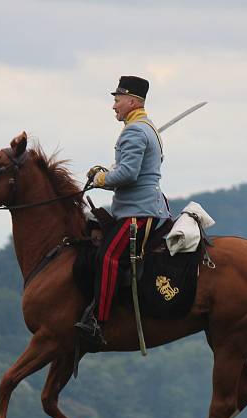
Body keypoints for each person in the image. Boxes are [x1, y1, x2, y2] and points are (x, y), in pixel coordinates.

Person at [75, 75, 168, 348]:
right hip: (137, 206)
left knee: (108, 258)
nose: (113, 106)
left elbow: (127, 174)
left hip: (138, 212)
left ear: (132, 101)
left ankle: (98, 321)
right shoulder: (145, 127)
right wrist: (107, 173)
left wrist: (99, 178)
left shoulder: (135, 131)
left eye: (116, 100)